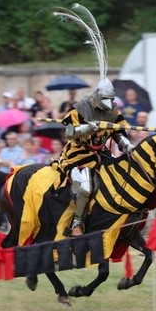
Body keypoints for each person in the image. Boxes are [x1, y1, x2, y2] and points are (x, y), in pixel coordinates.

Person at [59, 78, 133, 236]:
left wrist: (125, 144)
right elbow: (69, 134)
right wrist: (86, 128)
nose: (109, 103)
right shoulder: (78, 110)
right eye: (106, 99)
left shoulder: (112, 110)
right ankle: (77, 222)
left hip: (101, 156)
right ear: (97, 96)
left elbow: (118, 131)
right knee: (85, 188)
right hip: (78, 156)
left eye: (111, 100)